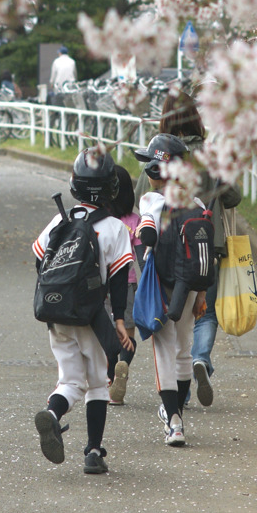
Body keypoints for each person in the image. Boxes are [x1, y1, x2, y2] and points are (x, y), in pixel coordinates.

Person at [134, 90, 241, 408]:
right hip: (209, 242)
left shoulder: (158, 152)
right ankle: (200, 359)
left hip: (167, 248)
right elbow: (233, 196)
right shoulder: (211, 153)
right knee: (206, 309)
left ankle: (175, 389)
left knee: (172, 315)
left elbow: (141, 194)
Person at [32, 149, 133, 474]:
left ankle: (52, 412)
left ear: (75, 185)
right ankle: (93, 451)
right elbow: (119, 281)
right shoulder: (115, 228)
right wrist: (118, 320)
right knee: (98, 384)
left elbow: (40, 262)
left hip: (56, 315)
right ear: (111, 189)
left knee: (70, 380)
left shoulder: (60, 219)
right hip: (91, 316)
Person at [135, 133, 209, 447]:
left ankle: (174, 421)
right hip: (191, 287)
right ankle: (177, 413)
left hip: (162, 284)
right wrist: (202, 295)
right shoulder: (197, 202)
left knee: (164, 351)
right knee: (183, 349)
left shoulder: (152, 199)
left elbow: (148, 233)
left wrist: (143, 228)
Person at [106, 164, 141, 405]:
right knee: (127, 335)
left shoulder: (102, 220)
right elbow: (142, 257)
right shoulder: (134, 220)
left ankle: (110, 383)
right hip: (127, 285)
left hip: (101, 285)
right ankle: (123, 365)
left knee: (106, 337)